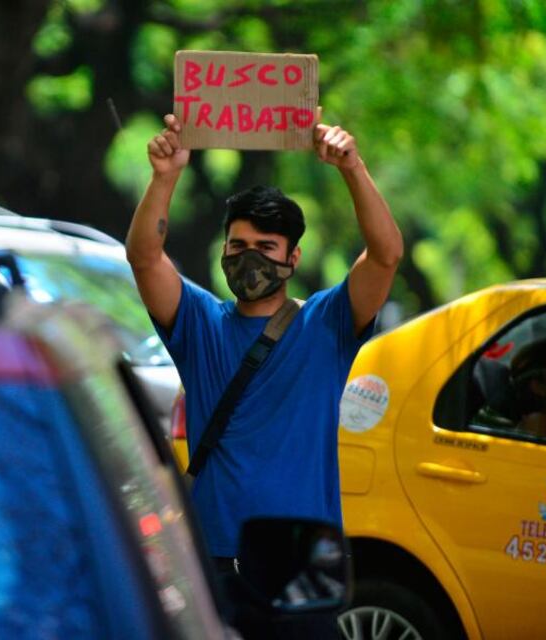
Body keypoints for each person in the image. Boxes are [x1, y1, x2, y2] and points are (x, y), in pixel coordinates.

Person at [125, 113, 402, 637]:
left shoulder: (328, 324)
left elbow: (385, 255)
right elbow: (143, 256)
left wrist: (352, 167)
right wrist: (165, 176)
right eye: (237, 246)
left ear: (293, 257)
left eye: (266, 248)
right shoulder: (198, 324)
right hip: (215, 562)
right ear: (223, 250)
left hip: (303, 567)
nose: (249, 258)